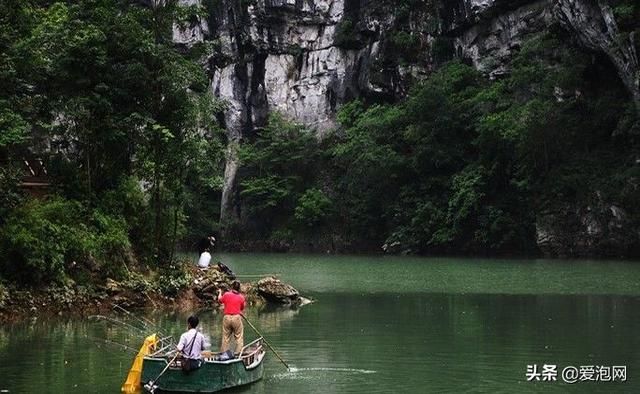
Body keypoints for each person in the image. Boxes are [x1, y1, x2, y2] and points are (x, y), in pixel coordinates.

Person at [217, 281, 245, 356]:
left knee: (226, 337)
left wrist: (220, 292)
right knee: (239, 337)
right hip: (236, 317)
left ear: (232, 287)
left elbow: (219, 300)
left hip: (227, 317)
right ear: (239, 288)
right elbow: (242, 308)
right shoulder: (241, 297)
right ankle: (238, 354)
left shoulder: (226, 294)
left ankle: (224, 355)